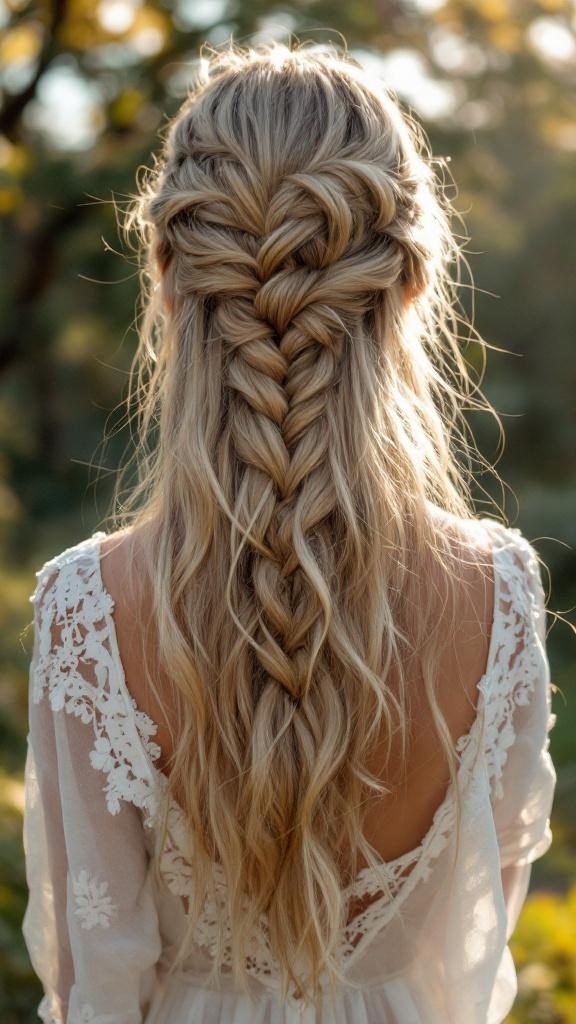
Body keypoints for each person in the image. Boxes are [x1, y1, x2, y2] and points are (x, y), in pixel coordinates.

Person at [22, 41, 556, 1024]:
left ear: (171, 285)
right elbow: (478, 947)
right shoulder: (502, 595)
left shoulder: (89, 610)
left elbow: (96, 983)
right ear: (408, 289)